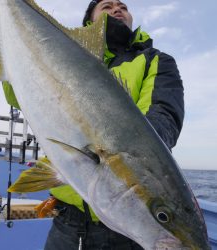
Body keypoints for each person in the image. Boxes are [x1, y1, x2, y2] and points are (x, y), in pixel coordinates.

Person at [44, 0, 184, 250]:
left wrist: (132, 157)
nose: (118, 9)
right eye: (107, 7)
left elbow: (163, 114)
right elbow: (16, 94)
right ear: (89, 22)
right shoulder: (56, 55)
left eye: (123, 6)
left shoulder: (154, 61)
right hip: (66, 221)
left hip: (123, 233)